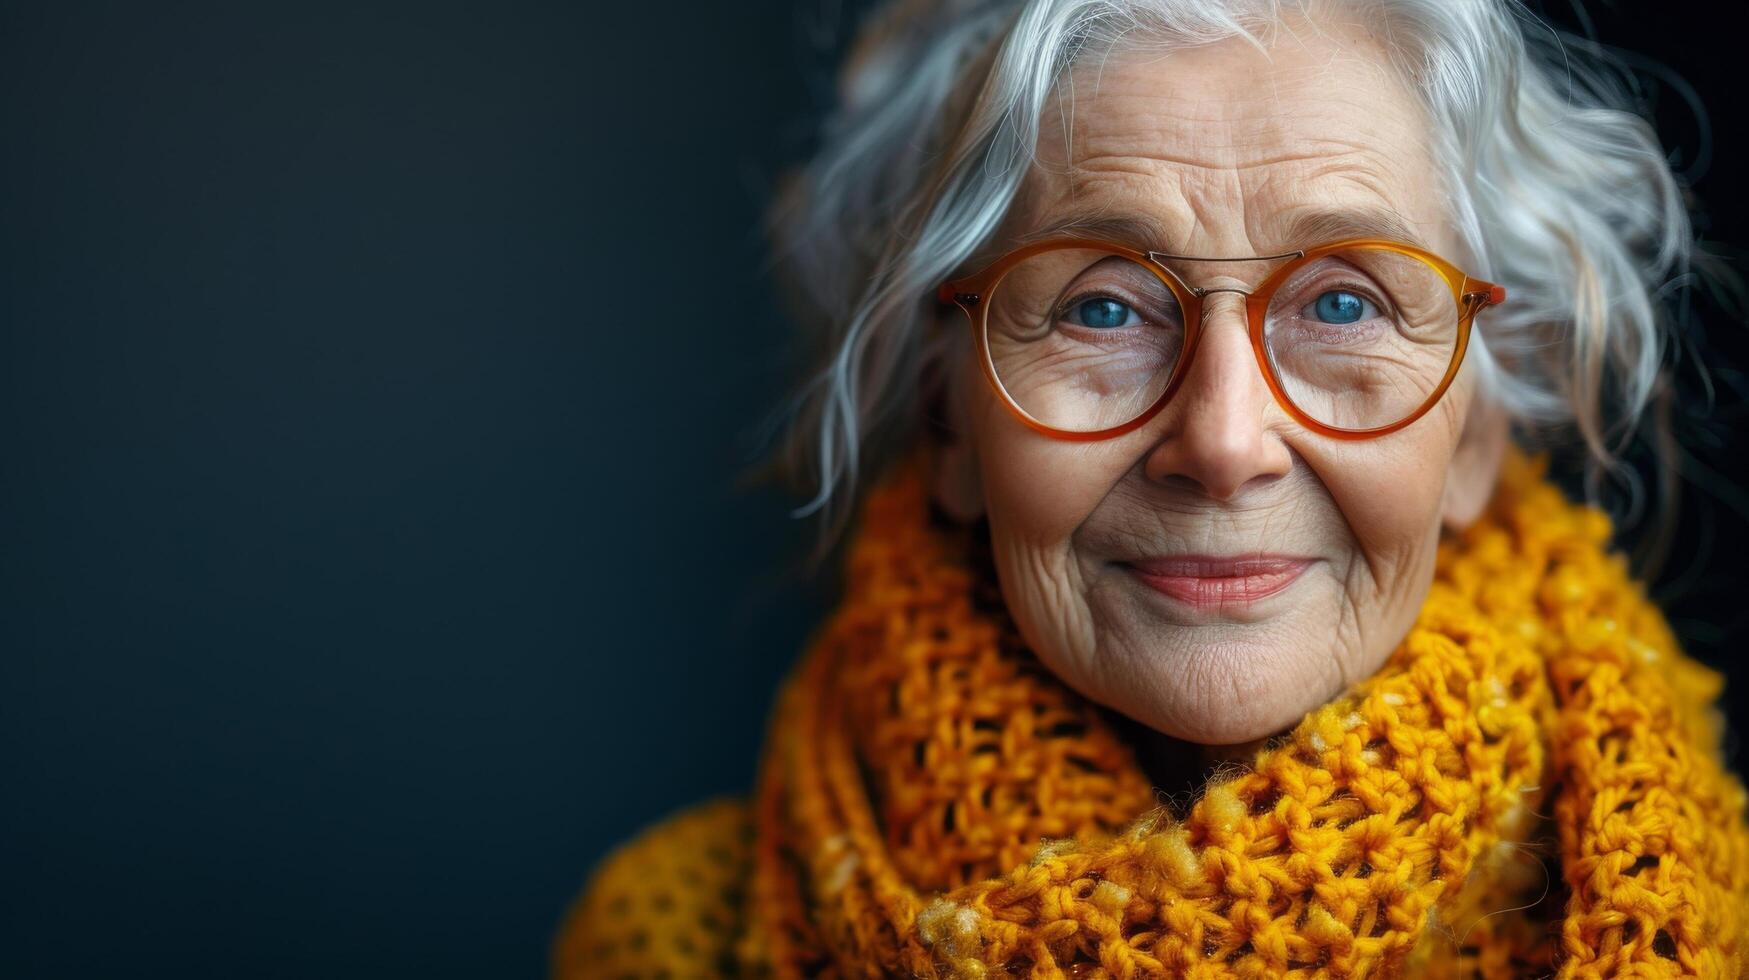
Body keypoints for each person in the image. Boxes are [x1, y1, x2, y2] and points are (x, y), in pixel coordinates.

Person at [552, 0, 1749, 974]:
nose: (1226, 440)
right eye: (1103, 305)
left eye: (1344, 301)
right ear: (946, 416)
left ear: (1477, 431)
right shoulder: (671, 940)